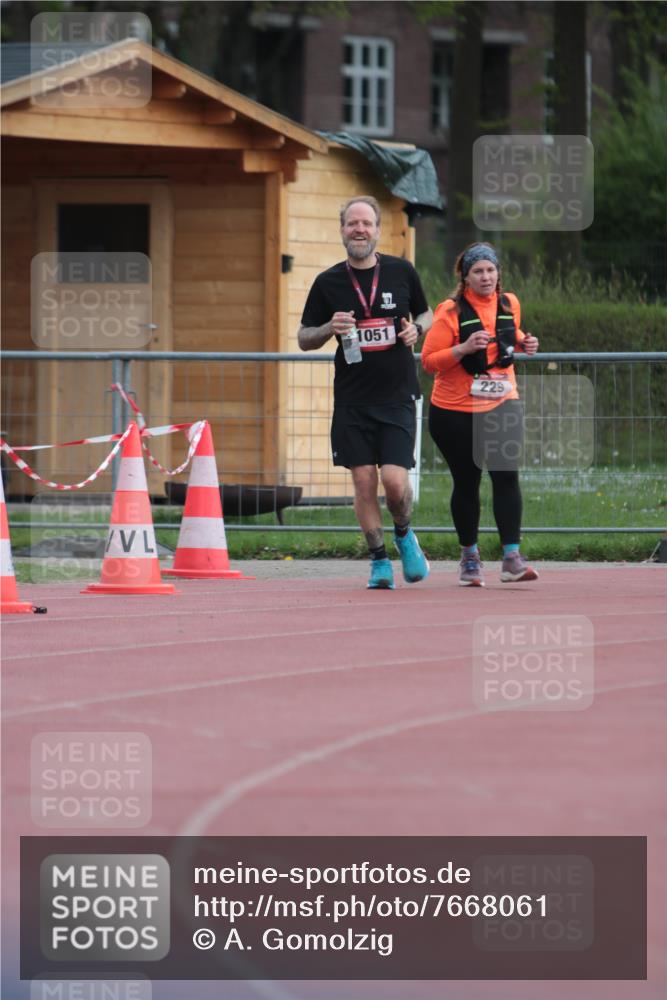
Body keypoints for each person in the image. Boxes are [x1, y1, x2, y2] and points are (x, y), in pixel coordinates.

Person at [298, 195, 433, 590]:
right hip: (353, 400)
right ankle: (378, 563)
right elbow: (304, 337)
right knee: (362, 483)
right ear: (342, 230)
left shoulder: (401, 271)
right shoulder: (327, 282)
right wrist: (328, 329)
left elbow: (427, 312)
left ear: (376, 229)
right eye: (352, 223)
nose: (359, 229)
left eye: (366, 223)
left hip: (396, 395)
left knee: (394, 482)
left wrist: (417, 330)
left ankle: (405, 533)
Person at [421, 242, 539, 587]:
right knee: (467, 481)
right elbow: (429, 361)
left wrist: (524, 343)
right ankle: (470, 558)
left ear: (498, 273)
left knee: (506, 476)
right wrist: (463, 348)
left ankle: (512, 558)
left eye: (491, 270)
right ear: (465, 277)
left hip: (503, 402)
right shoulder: (450, 312)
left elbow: (508, 335)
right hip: (455, 410)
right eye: (478, 271)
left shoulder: (509, 303)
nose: (486, 277)